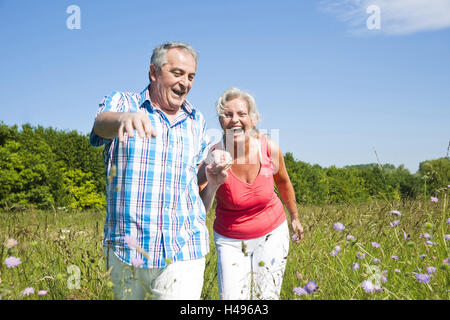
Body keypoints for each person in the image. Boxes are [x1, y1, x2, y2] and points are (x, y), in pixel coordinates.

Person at [89, 41, 229, 300]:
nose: (185, 83)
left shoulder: (196, 120)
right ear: (154, 72)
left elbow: (194, 175)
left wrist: (210, 172)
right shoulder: (124, 102)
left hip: (183, 249)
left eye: (190, 76)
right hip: (126, 250)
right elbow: (99, 127)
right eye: (177, 73)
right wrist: (123, 120)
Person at [202, 87, 304, 300]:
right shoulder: (213, 156)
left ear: (254, 119)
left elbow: (284, 182)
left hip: (272, 233)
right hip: (230, 238)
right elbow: (201, 206)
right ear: (220, 121)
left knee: (265, 296)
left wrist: (294, 217)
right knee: (232, 299)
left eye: (242, 114)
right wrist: (212, 184)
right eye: (227, 115)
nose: (235, 120)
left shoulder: (269, 148)